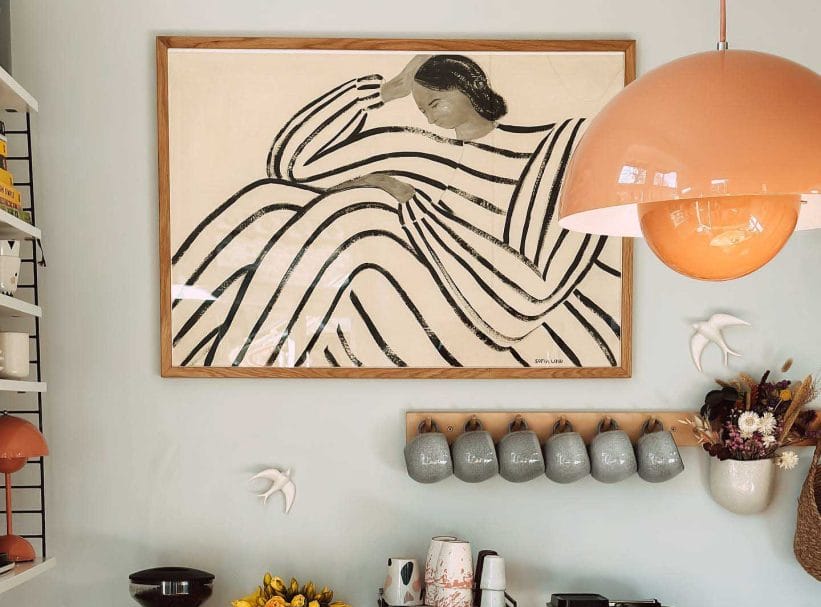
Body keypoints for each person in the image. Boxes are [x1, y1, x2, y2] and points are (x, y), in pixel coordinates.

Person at [171, 54, 620, 370]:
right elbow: (289, 165)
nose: (427, 118)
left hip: (503, 315)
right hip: (420, 289)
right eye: (421, 108)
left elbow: (529, 295)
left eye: (435, 103)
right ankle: (195, 364)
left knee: (362, 213)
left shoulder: (559, 145)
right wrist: (389, 91)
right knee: (269, 202)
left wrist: (407, 201)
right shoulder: (419, 148)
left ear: (468, 89)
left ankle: (244, 372)